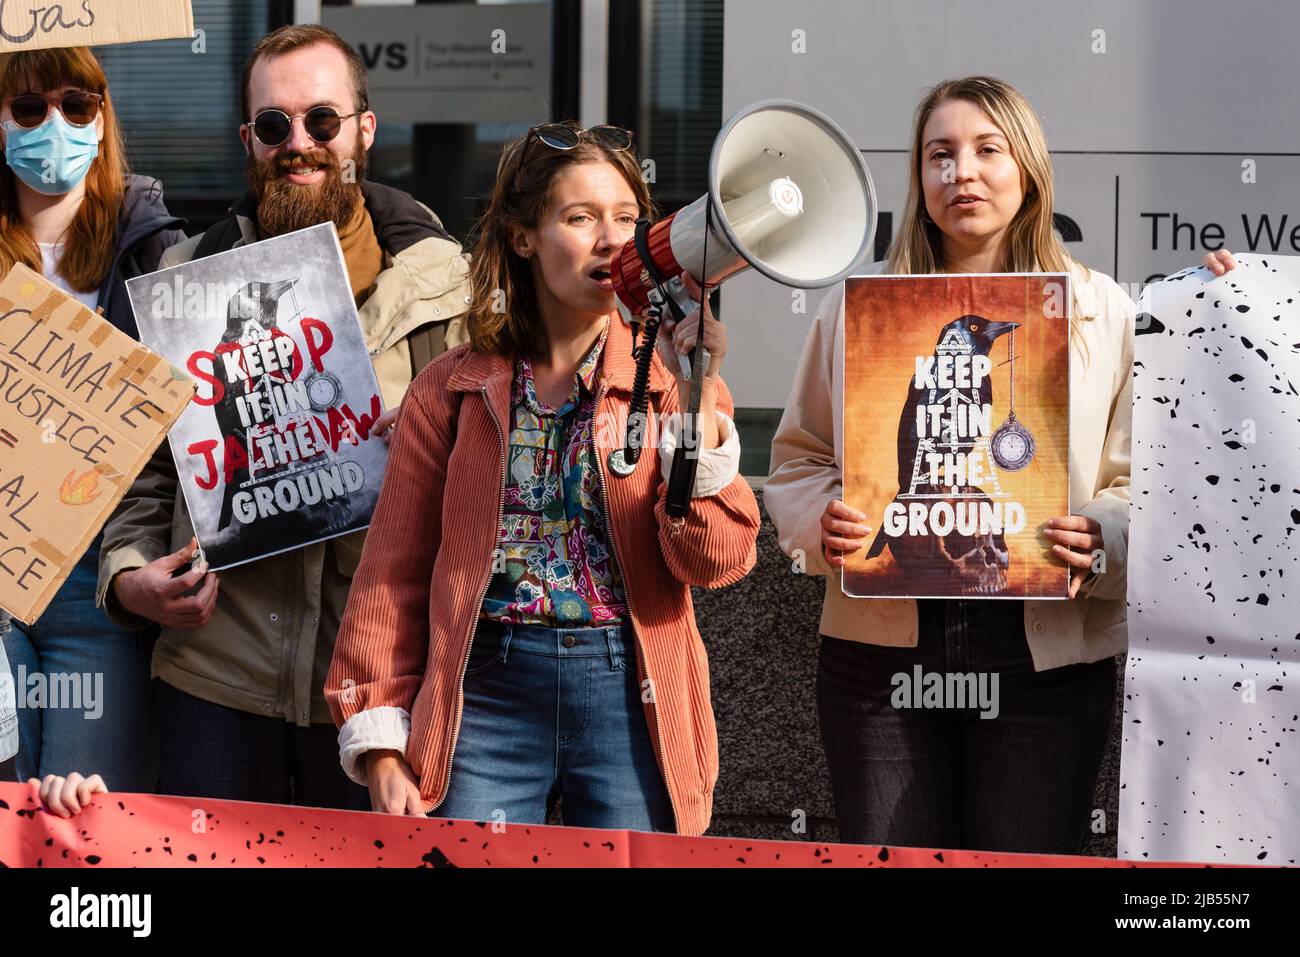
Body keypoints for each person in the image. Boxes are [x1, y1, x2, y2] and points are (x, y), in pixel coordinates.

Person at [767, 75, 1232, 854]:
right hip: (881, 653)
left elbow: (1143, 478)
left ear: (1029, 168)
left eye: (988, 150)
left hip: (1041, 653)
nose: (962, 173)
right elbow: (798, 460)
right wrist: (826, 520)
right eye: (939, 155)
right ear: (918, 177)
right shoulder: (861, 307)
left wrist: (1104, 535)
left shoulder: (1101, 308)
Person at [324, 122, 761, 834]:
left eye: (625, 218)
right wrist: (379, 741)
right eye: (581, 217)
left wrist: (701, 410)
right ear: (524, 236)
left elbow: (714, 560)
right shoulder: (452, 388)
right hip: (485, 692)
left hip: (628, 688)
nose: (611, 239)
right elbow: (392, 570)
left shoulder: (667, 381)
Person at [96, 25, 472, 810]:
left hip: (375, 687)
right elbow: (146, 469)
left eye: (322, 121)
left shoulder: (444, 284)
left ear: (363, 133)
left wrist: (436, 437)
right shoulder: (182, 279)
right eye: (274, 125)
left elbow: (500, 469)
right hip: (216, 679)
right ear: (249, 140)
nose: (298, 144)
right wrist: (131, 578)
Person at [1, 47, 187, 792]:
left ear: (101, 119)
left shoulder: (154, 251)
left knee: (86, 820)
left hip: (98, 577)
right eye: (27, 108)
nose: (55, 124)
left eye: (75, 106)